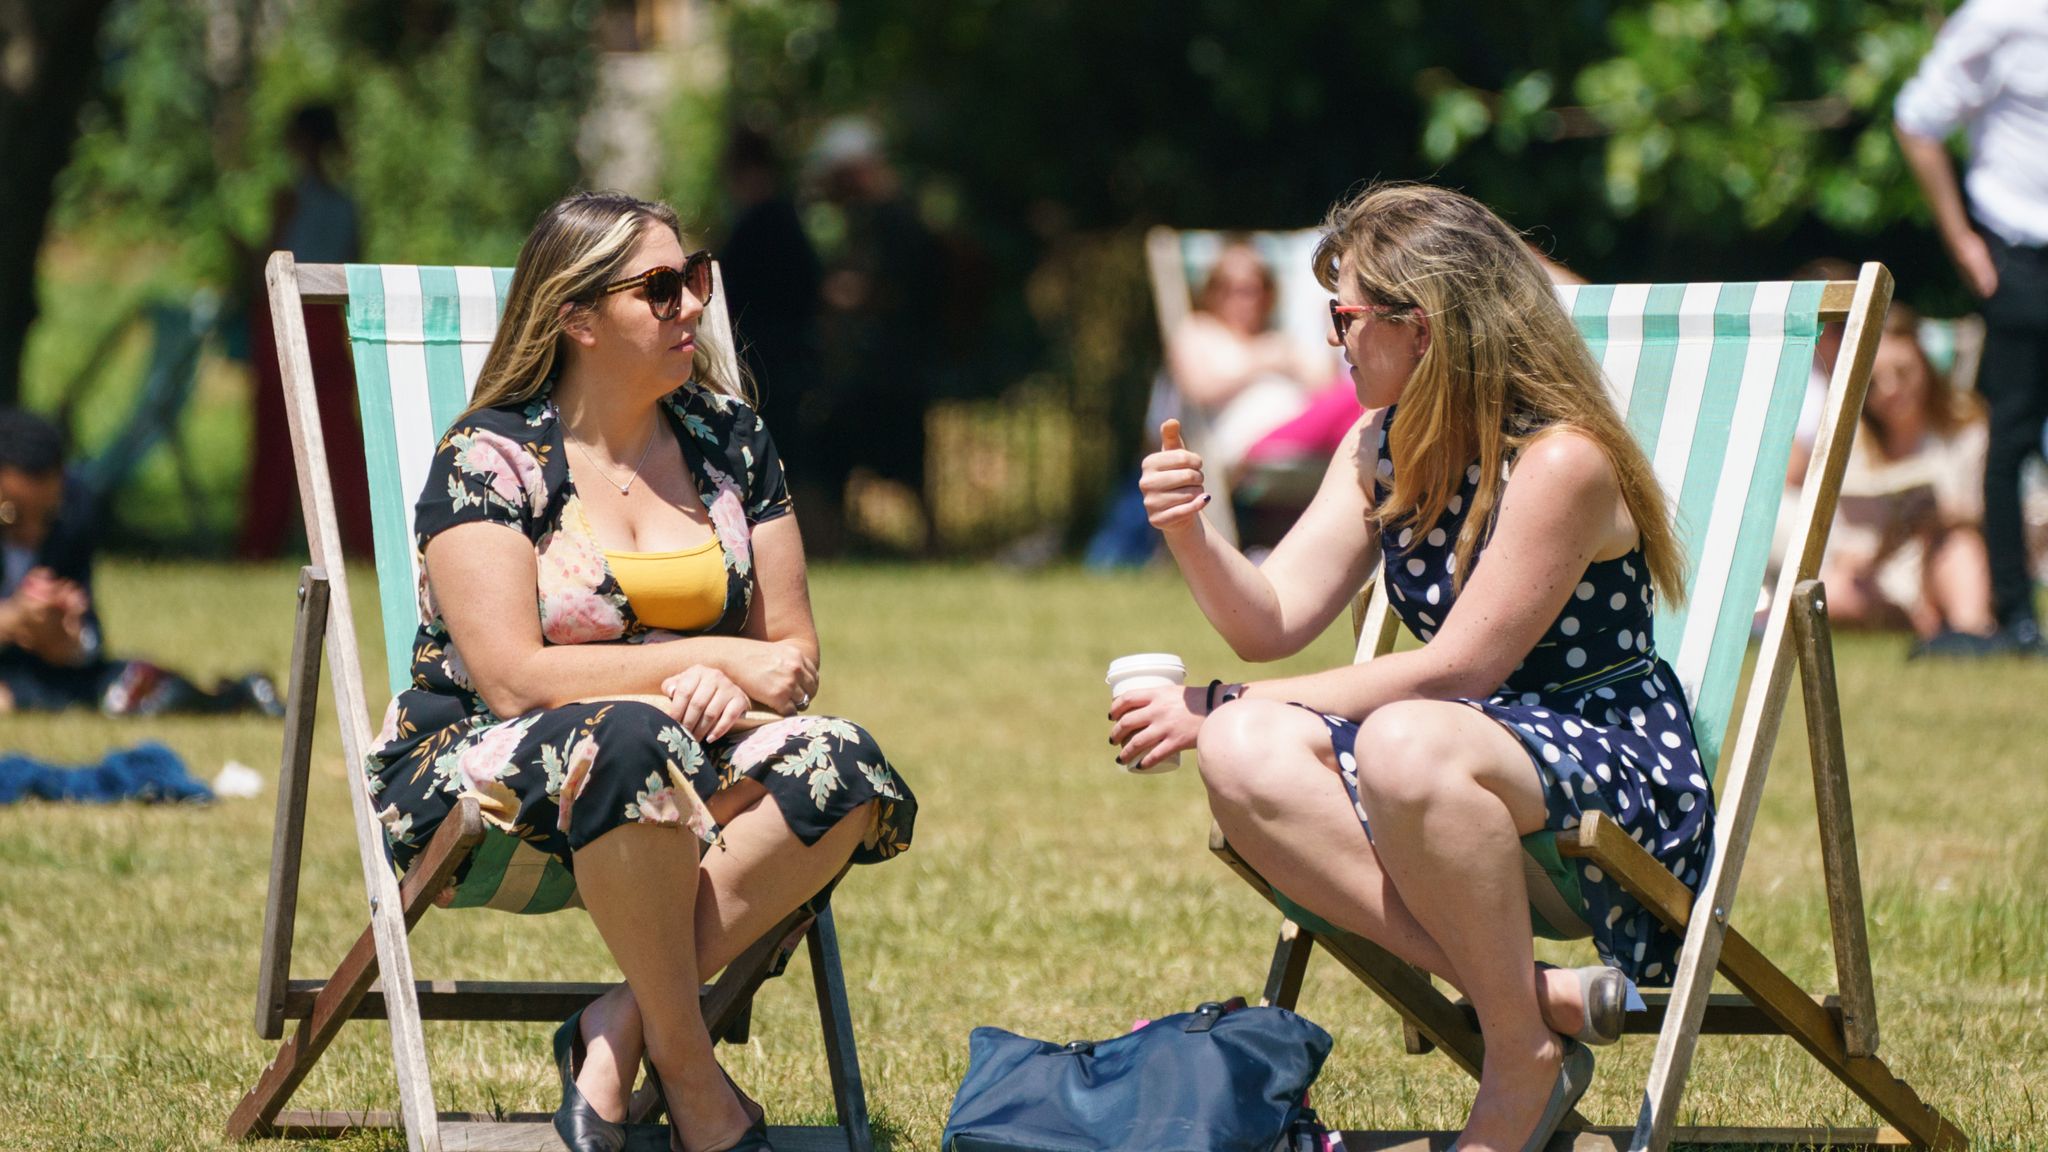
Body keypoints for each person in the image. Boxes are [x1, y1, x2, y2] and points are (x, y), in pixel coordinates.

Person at [1110, 184, 1708, 1151]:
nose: (1332, 342)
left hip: (1604, 782)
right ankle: (1529, 1002)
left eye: (1342, 317)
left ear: (1420, 328)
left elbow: (1463, 668)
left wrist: (1217, 696)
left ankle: (1519, 1057)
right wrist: (1190, 532)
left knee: (1397, 739)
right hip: (1449, 771)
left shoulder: (1562, 462)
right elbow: (1272, 621)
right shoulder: (1380, 445)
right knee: (1243, 748)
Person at [366, 191, 915, 1152]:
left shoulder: (729, 440)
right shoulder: (489, 459)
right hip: (475, 778)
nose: (691, 308)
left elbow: (791, 654)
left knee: (847, 765)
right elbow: (511, 681)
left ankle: (616, 1033)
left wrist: (736, 686)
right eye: (659, 289)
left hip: (684, 759)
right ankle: (693, 1076)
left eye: (694, 279)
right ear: (576, 315)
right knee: (635, 733)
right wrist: (696, 663)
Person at [1895, 0, 2048, 652]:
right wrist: (1962, 240)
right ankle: (2015, 615)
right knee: (2010, 436)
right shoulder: (1999, 16)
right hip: (2019, 251)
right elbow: (1917, 119)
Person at [0, 408, 282, 716]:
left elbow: (91, 637)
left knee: (134, 685)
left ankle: (231, 696)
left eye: (46, 517)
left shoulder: (76, 509)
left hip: (48, 673)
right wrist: (12, 619)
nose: (32, 533)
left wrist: (70, 640)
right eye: (12, 516)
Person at [1817, 304, 1997, 655]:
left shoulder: (1965, 425)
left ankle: (1970, 633)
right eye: (1875, 383)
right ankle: (1917, 622)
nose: (1890, 390)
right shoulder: (1854, 439)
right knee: (1833, 589)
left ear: (1925, 366)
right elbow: (1846, 538)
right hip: (1882, 567)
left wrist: (1941, 515)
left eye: (1903, 372)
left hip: (1942, 555)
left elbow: (1987, 511)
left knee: (1959, 547)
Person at [239, 103, 372, 559]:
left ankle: (261, 540)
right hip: (327, 320)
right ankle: (363, 537)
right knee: (339, 436)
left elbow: (266, 265)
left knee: (275, 435)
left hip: (283, 318)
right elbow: (353, 268)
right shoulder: (347, 204)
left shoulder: (288, 198)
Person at [1166, 240, 1332, 479]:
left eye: (1254, 288)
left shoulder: (1278, 337)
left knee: (1351, 404)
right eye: (1228, 287)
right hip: (1245, 450)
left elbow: (1325, 385)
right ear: (1212, 291)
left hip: (1302, 444)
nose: (1242, 298)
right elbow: (1198, 387)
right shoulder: (1199, 330)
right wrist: (1261, 361)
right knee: (1354, 411)